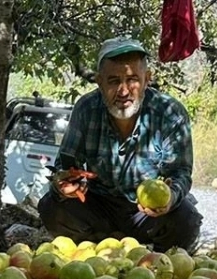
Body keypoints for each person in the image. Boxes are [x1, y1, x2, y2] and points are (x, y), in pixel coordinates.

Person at [38, 36, 201, 252]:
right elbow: (66, 165)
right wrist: (65, 183)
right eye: (113, 81)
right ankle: (92, 248)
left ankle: (160, 258)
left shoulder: (169, 113)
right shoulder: (86, 108)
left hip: (146, 213)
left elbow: (180, 172)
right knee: (51, 207)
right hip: (99, 207)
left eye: (132, 80)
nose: (124, 91)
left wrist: (169, 199)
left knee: (186, 218)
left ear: (147, 79)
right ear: (99, 82)